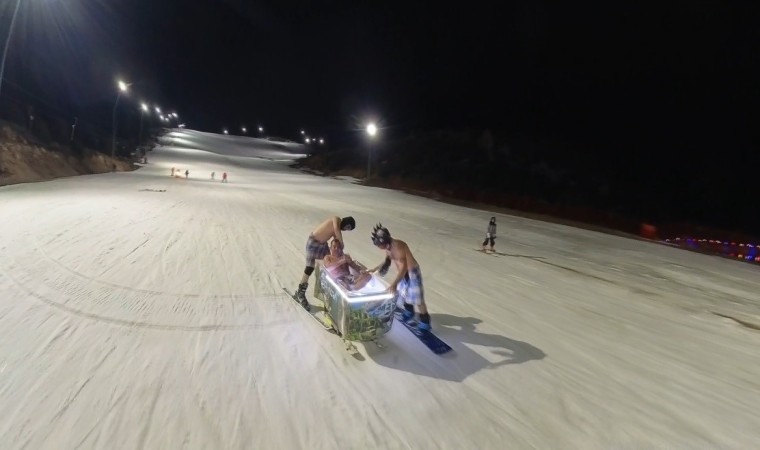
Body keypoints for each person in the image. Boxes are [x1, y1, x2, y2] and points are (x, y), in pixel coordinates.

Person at [369, 223, 431, 331]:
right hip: (403, 273)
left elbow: (404, 268)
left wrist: (394, 283)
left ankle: (425, 321)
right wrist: (375, 269)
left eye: (379, 245)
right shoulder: (388, 247)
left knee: (418, 299)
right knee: (404, 293)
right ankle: (409, 311)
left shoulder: (398, 247)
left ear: (384, 241)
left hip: (412, 273)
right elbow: (388, 260)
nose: (379, 248)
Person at [295, 216, 356, 310]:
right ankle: (300, 292)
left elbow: (337, 242)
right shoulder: (336, 219)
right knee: (309, 268)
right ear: (346, 223)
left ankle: (331, 290)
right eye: (347, 228)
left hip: (323, 245)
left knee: (331, 264)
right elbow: (336, 229)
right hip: (314, 242)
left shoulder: (337, 230)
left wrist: (343, 256)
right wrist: (342, 242)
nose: (345, 230)